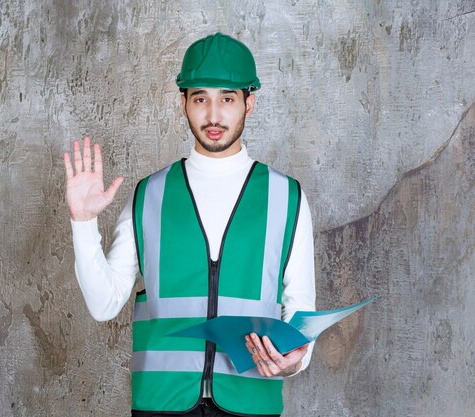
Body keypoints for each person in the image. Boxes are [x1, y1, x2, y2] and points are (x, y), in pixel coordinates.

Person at [64, 32, 316, 417]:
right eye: (201, 98)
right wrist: (83, 222)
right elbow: (103, 305)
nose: (213, 115)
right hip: (161, 404)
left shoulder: (288, 197)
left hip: (251, 403)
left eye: (227, 99)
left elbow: (301, 311)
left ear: (250, 102)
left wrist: (295, 361)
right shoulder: (149, 194)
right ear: (183, 103)